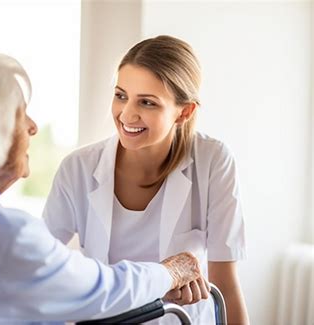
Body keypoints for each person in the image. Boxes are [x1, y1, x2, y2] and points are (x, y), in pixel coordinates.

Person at [0, 45, 206, 324]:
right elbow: (102, 290)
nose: (33, 127)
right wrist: (170, 272)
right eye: (19, 115)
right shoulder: (8, 237)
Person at [43, 35, 249, 325]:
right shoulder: (77, 169)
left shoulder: (213, 161)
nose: (127, 114)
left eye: (148, 102)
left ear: (184, 112)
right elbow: (40, 263)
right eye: (121, 95)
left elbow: (224, 285)